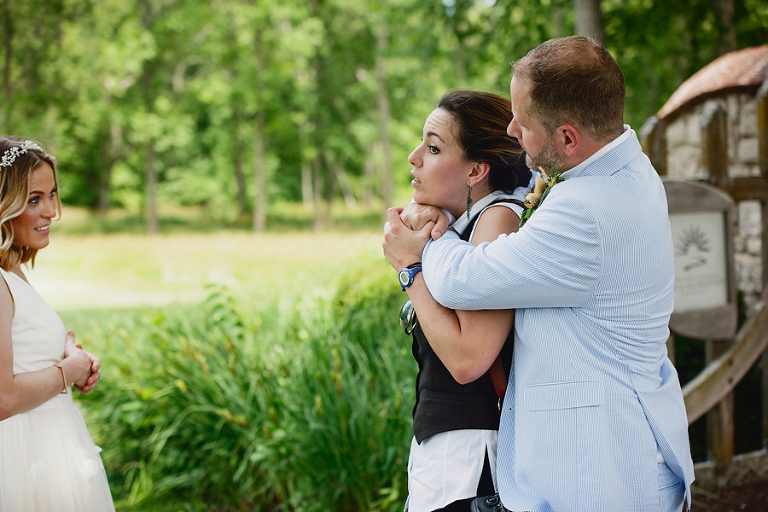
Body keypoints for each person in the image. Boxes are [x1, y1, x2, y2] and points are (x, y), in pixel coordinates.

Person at [383, 36, 695, 512]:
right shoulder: (628, 174)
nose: (512, 131)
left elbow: (466, 279)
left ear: (568, 137)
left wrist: (421, 248)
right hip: (601, 456)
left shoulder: (585, 210)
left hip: (602, 469)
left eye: (523, 122)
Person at [393, 90, 532, 512]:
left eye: (433, 147)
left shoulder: (497, 220)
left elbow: (470, 358)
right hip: (450, 454)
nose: (414, 157)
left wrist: (409, 269)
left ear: (476, 169)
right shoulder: (467, 222)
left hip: (470, 461)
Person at [0, 137, 115, 511]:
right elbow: (4, 398)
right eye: (34, 199)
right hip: (20, 453)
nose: (51, 211)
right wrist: (69, 370)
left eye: (52, 195)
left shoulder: (12, 267)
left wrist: (65, 355)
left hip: (45, 444)